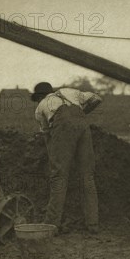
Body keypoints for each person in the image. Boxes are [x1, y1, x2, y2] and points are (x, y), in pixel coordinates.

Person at [31, 82, 102, 234]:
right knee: (87, 176)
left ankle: (51, 225)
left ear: (39, 97)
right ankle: (93, 224)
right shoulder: (70, 92)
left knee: (59, 177)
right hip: (83, 126)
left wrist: (55, 156)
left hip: (62, 128)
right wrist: (80, 115)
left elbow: (47, 134)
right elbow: (96, 98)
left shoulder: (41, 107)